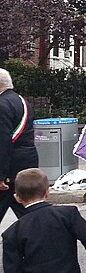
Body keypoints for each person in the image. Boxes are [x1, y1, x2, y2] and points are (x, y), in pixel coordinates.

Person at [0, 68, 38, 224]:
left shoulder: (2, 104)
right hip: (27, 163)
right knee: (25, 208)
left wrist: (1, 175)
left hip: (10, 166)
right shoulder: (22, 101)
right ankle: (42, 239)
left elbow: (3, 141)